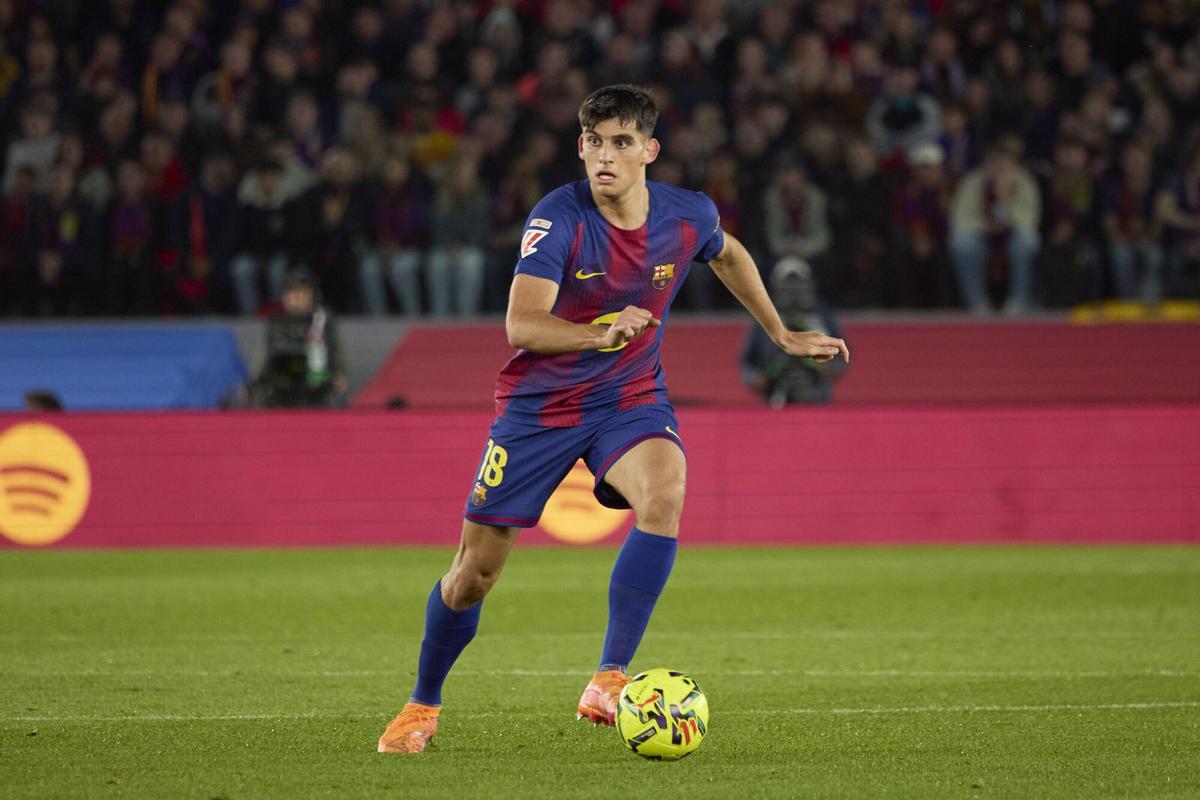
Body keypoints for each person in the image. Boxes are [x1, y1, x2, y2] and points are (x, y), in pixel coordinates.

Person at [377, 84, 849, 754]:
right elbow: (521, 324)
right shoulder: (558, 218)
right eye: (594, 142)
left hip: (628, 398)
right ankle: (422, 705)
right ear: (580, 147)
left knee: (666, 492)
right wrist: (598, 333)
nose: (606, 155)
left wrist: (780, 333)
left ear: (649, 151)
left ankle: (608, 676)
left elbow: (729, 253)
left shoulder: (687, 215)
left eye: (622, 142)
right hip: (539, 410)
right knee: (472, 575)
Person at [741, 257, 847, 406]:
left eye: (797, 282)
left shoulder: (822, 315)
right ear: (776, 285)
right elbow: (747, 360)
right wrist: (755, 378)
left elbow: (843, 351)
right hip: (775, 394)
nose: (792, 288)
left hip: (816, 392)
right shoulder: (764, 318)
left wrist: (832, 368)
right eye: (787, 283)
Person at [250, 267, 347, 408]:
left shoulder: (321, 321)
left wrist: (339, 376)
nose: (296, 298)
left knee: (335, 395)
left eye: (301, 292)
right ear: (284, 297)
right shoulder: (276, 323)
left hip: (315, 391)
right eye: (291, 293)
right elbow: (262, 365)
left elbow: (335, 360)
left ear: (312, 296)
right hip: (280, 391)